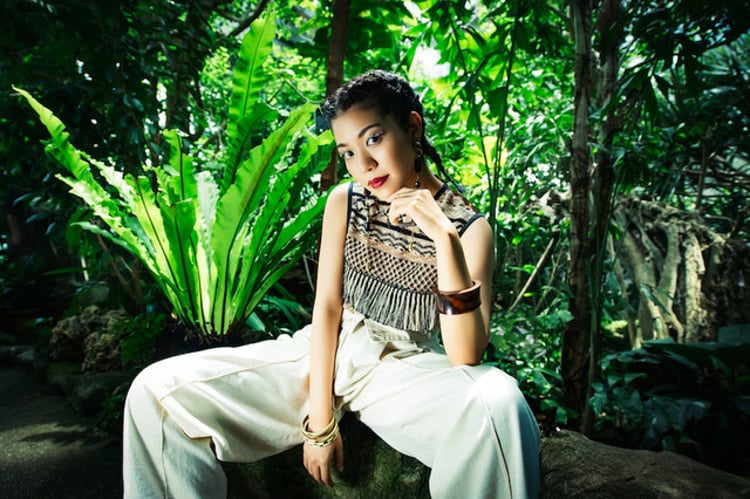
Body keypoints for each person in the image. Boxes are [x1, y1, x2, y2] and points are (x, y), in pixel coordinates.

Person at [123, 70, 540, 498]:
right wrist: (320, 420)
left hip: (402, 368)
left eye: (374, 138)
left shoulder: (470, 229)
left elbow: (465, 354)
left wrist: (444, 238)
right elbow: (327, 309)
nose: (364, 165)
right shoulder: (345, 200)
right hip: (322, 354)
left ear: (413, 128)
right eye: (348, 153)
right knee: (156, 392)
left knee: (499, 402)